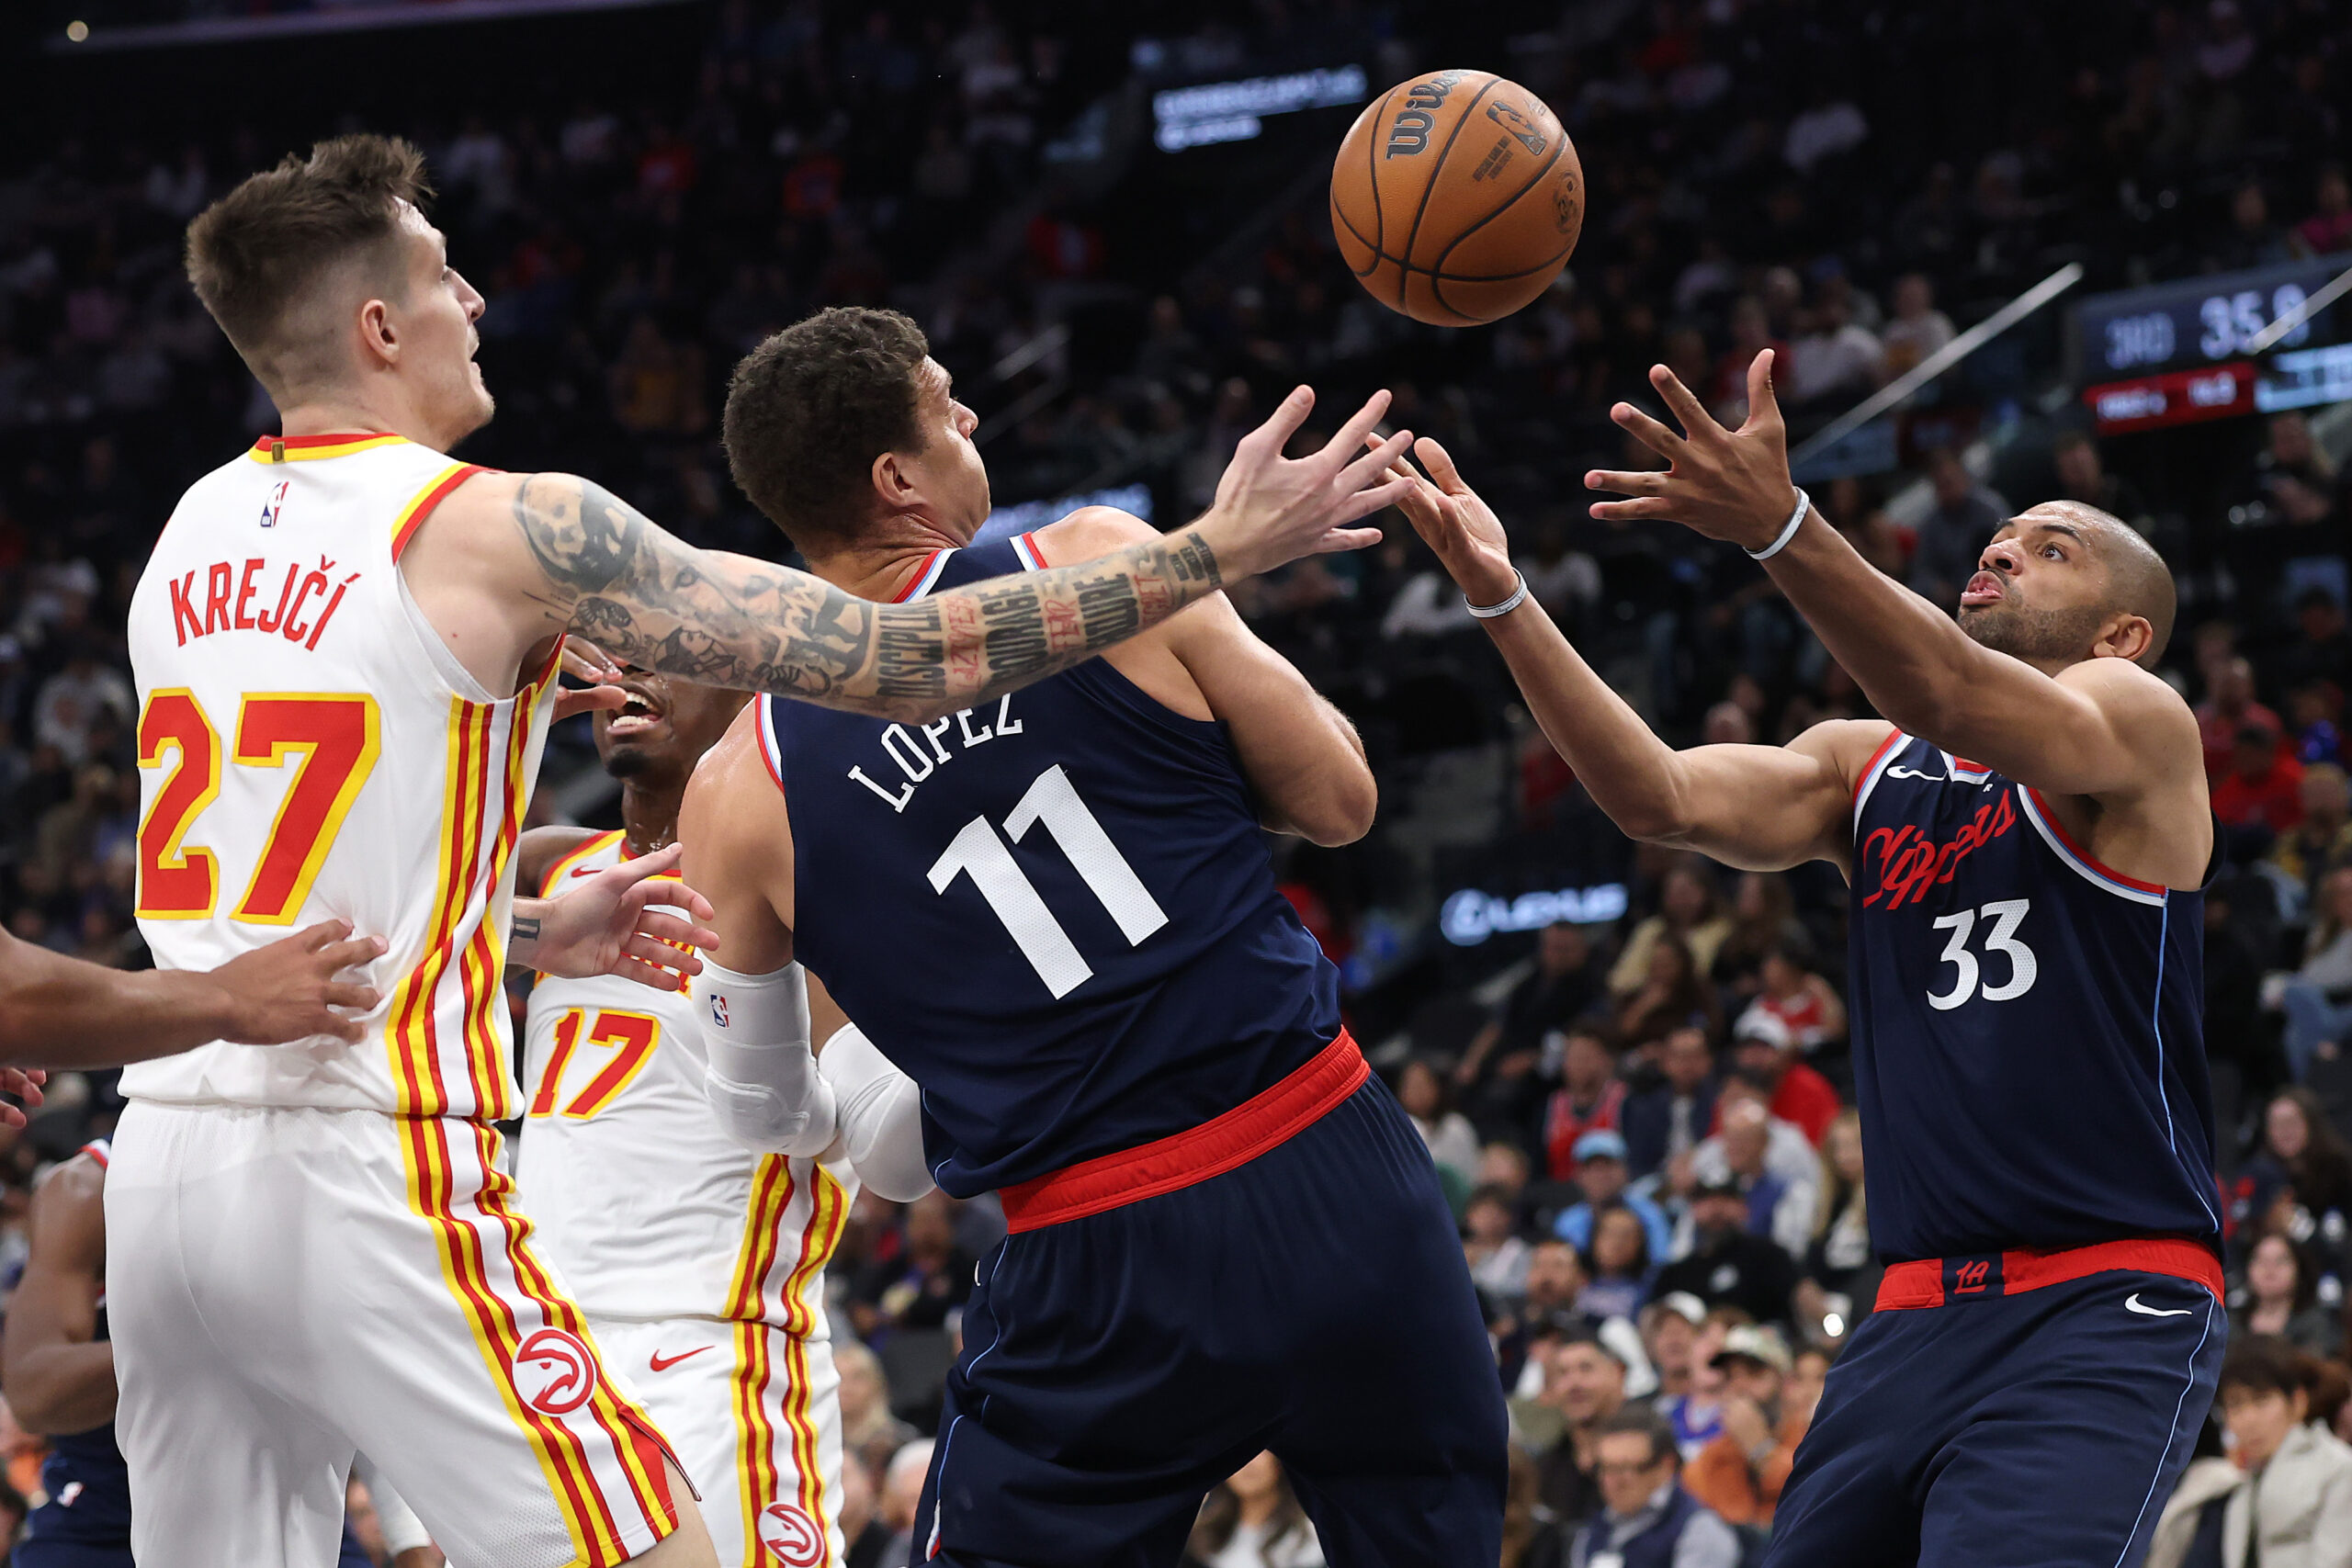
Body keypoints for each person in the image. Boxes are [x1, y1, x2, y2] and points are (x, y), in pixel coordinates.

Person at [112, 137, 1407, 1568]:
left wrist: (540, 929)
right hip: (366, 1154)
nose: (474, 297)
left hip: (168, 1169)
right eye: (442, 275)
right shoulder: (501, 521)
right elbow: (904, 654)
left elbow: (294, 901)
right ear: (378, 326)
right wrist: (1215, 546)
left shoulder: (188, 535)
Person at [678, 305, 1503, 1565]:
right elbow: (1342, 798)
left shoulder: (743, 781)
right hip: (1329, 1159)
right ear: (898, 478)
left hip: (1100, 1245)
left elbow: (758, 1106)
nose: (970, 419)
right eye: (948, 404)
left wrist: (887, 1047)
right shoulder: (1101, 559)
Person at [1393, 344, 2229, 1566]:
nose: (1998, 549)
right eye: (1998, 535)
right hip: (1906, 1313)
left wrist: (1781, 524)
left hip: (2102, 1295)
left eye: (2053, 545)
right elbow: (1660, 797)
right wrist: (1505, 600)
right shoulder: (1868, 761)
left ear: (2123, 630)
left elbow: (1947, 686)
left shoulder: (2145, 725)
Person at [510, 664, 932, 1565]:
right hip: (538, 1341)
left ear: (753, 701)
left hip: (706, 1354)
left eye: (672, 653)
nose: (630, 673)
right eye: (619, 651)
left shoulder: (807, 894)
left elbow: (891, 1155)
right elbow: (389, 895)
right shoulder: (557, 862)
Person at [0, 1142, 435, 1568]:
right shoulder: (89, 1190)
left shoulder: (324, 1176)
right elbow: (36, 1397)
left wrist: (408, 1539)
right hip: (109, 1525)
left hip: (292, 1515)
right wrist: (209, 1337)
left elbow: (357, 1377)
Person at [2212, 1337, 2352, 1568]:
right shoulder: (2240, 1488)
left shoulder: (2339, 1470)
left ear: (2297, 1402)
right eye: (2235, 1405)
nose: (2249, 1420)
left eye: (2261, 1401)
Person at [1568, 1408, 1741, 1568]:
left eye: (1625, 1468)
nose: (1612, 1482)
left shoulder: (1699, 1531)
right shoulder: (1592, 1531)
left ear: (1666, 1465)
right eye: (1605, 1468)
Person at [1683, 1326, 1801, 1528]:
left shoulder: (1812, 1439)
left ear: (1785, 1383)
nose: (1740, 1386)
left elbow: (1817, 1499)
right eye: (1729, 1377)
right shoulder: (1707, 1463)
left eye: (1754, 1372)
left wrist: (1763, 1452)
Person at [1651, 1179, 1801, 1329]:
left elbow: (1804, 1297)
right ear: (1693, 1210)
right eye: (1706, 1199)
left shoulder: (1770, 1255)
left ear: (1744, 1207)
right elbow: (1652, 1321)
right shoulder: (1675, 1274)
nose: (1716, 1208)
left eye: (1726, 1198)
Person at [1184, 1452, 1327, 1568]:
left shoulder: (1313, 1540)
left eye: (1261, 1451)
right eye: (1241, 1451)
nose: (1249, 1464)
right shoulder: (1199, 1537)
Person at [1553, 1129, 1672, 1265]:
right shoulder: (1568, 1222)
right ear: (1578, 1175)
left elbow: (1660, 1265)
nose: (1600, 1176)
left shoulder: (1649, 1214)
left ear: (1625, 1171)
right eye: (1591, 1168)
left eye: (1608, 1165)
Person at [2279, 866, 2352, 1081]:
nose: (2349, 899)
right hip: (2321, 1005)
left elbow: (2341, 980)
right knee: (2292, 1033)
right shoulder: (2322, 934)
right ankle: (2309, 1096)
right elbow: (2310, 973)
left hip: (2346, 1008)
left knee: (2295, 994)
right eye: (2343, 893)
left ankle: (2305, 1098)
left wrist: (2306, 986)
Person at [1622, 1025, 1717, 1179]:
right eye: (1680, 1057)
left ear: (1708, 1061)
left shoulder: (1719, 1105)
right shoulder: (1644, 1107)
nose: (1687, 1065)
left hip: (1710, 1183)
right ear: (1665, 1062)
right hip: (1658, 1185)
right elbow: (1637, 1163)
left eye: (1694, 1056)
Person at [2233, 1235, 2342, 1360]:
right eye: (2260, 1260)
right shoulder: (2232, 1323)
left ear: (2299, 1270)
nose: (2269, 1269)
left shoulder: (2317, 1322)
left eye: (2280, 1261)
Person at [1543, 1026, 1631, 1180]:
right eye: (1573, 1057)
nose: (1579, 1065)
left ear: (1606, 1061)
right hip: (1559, 1193)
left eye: (1586, 1057)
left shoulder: (1625, 1102)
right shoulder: (1551, 1105)